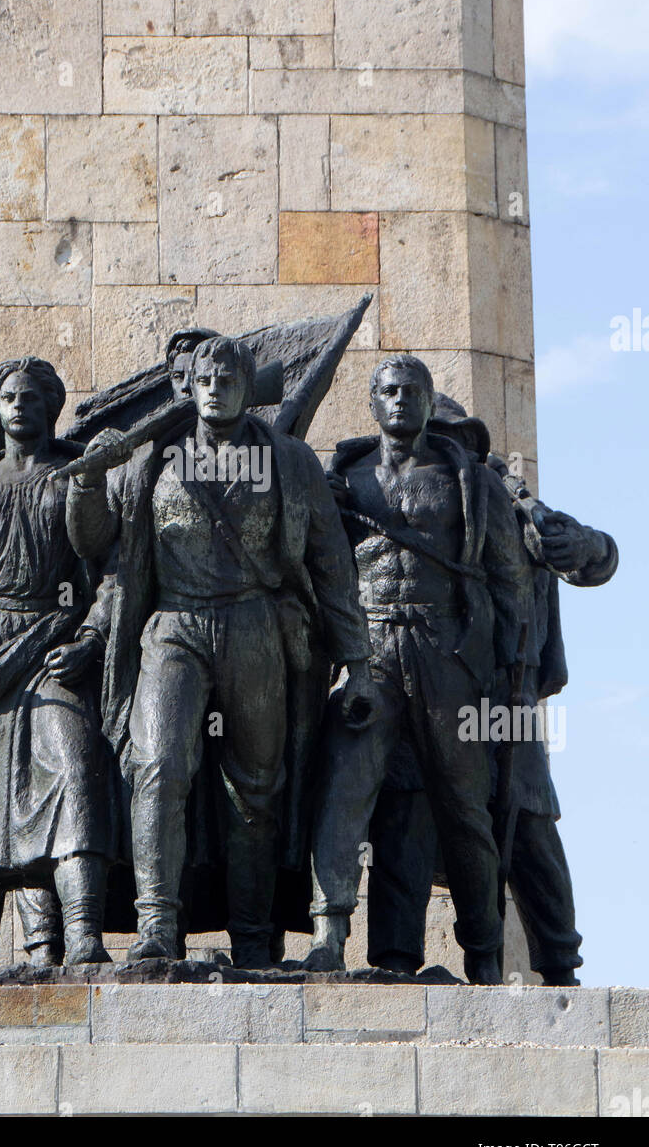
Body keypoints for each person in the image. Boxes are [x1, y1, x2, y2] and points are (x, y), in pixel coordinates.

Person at [66, 336, 373, 968]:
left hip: (253, 623)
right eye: (205, 378)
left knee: (256, 787)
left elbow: (332, 563)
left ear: (248, 385)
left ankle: (254, 935)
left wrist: (359, 661)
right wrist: (90, 481)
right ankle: (156, 924)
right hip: (174, 625)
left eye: (229, 377)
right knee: (157, 765)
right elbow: (98, 544)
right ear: (189, 387)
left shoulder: (288, 461)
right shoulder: (152, 458)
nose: (215, 387)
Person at [364, 395, 618, 985]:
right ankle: (398, 958)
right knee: (406, 809)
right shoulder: (413, 513)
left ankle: (558, 963)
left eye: (460, 442)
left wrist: (589, 548)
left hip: (508, 696)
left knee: (526, 820)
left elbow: (595, 556)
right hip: (427, 685)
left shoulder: (512, 504)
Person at [305, 355, 533, 984]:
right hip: (369, 646)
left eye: (413, 391)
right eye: (389, 391)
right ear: (373, 403)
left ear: (430, 403)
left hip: (444, 652)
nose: (401, 399)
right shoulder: (343, 479)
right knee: (346, 790)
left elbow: (509, 580)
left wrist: (513, 666)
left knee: (464, 805)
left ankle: (484, 951)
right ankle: (329, 934)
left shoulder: (473, 481)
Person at [0, 357, 116, 971]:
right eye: (9, 397)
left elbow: (107, 570)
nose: (19, 406)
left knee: (75, 766)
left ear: (52, 407)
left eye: (32, 398)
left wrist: (89, 636)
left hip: (50, 644)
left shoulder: (74, 474)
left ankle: (84, 936)